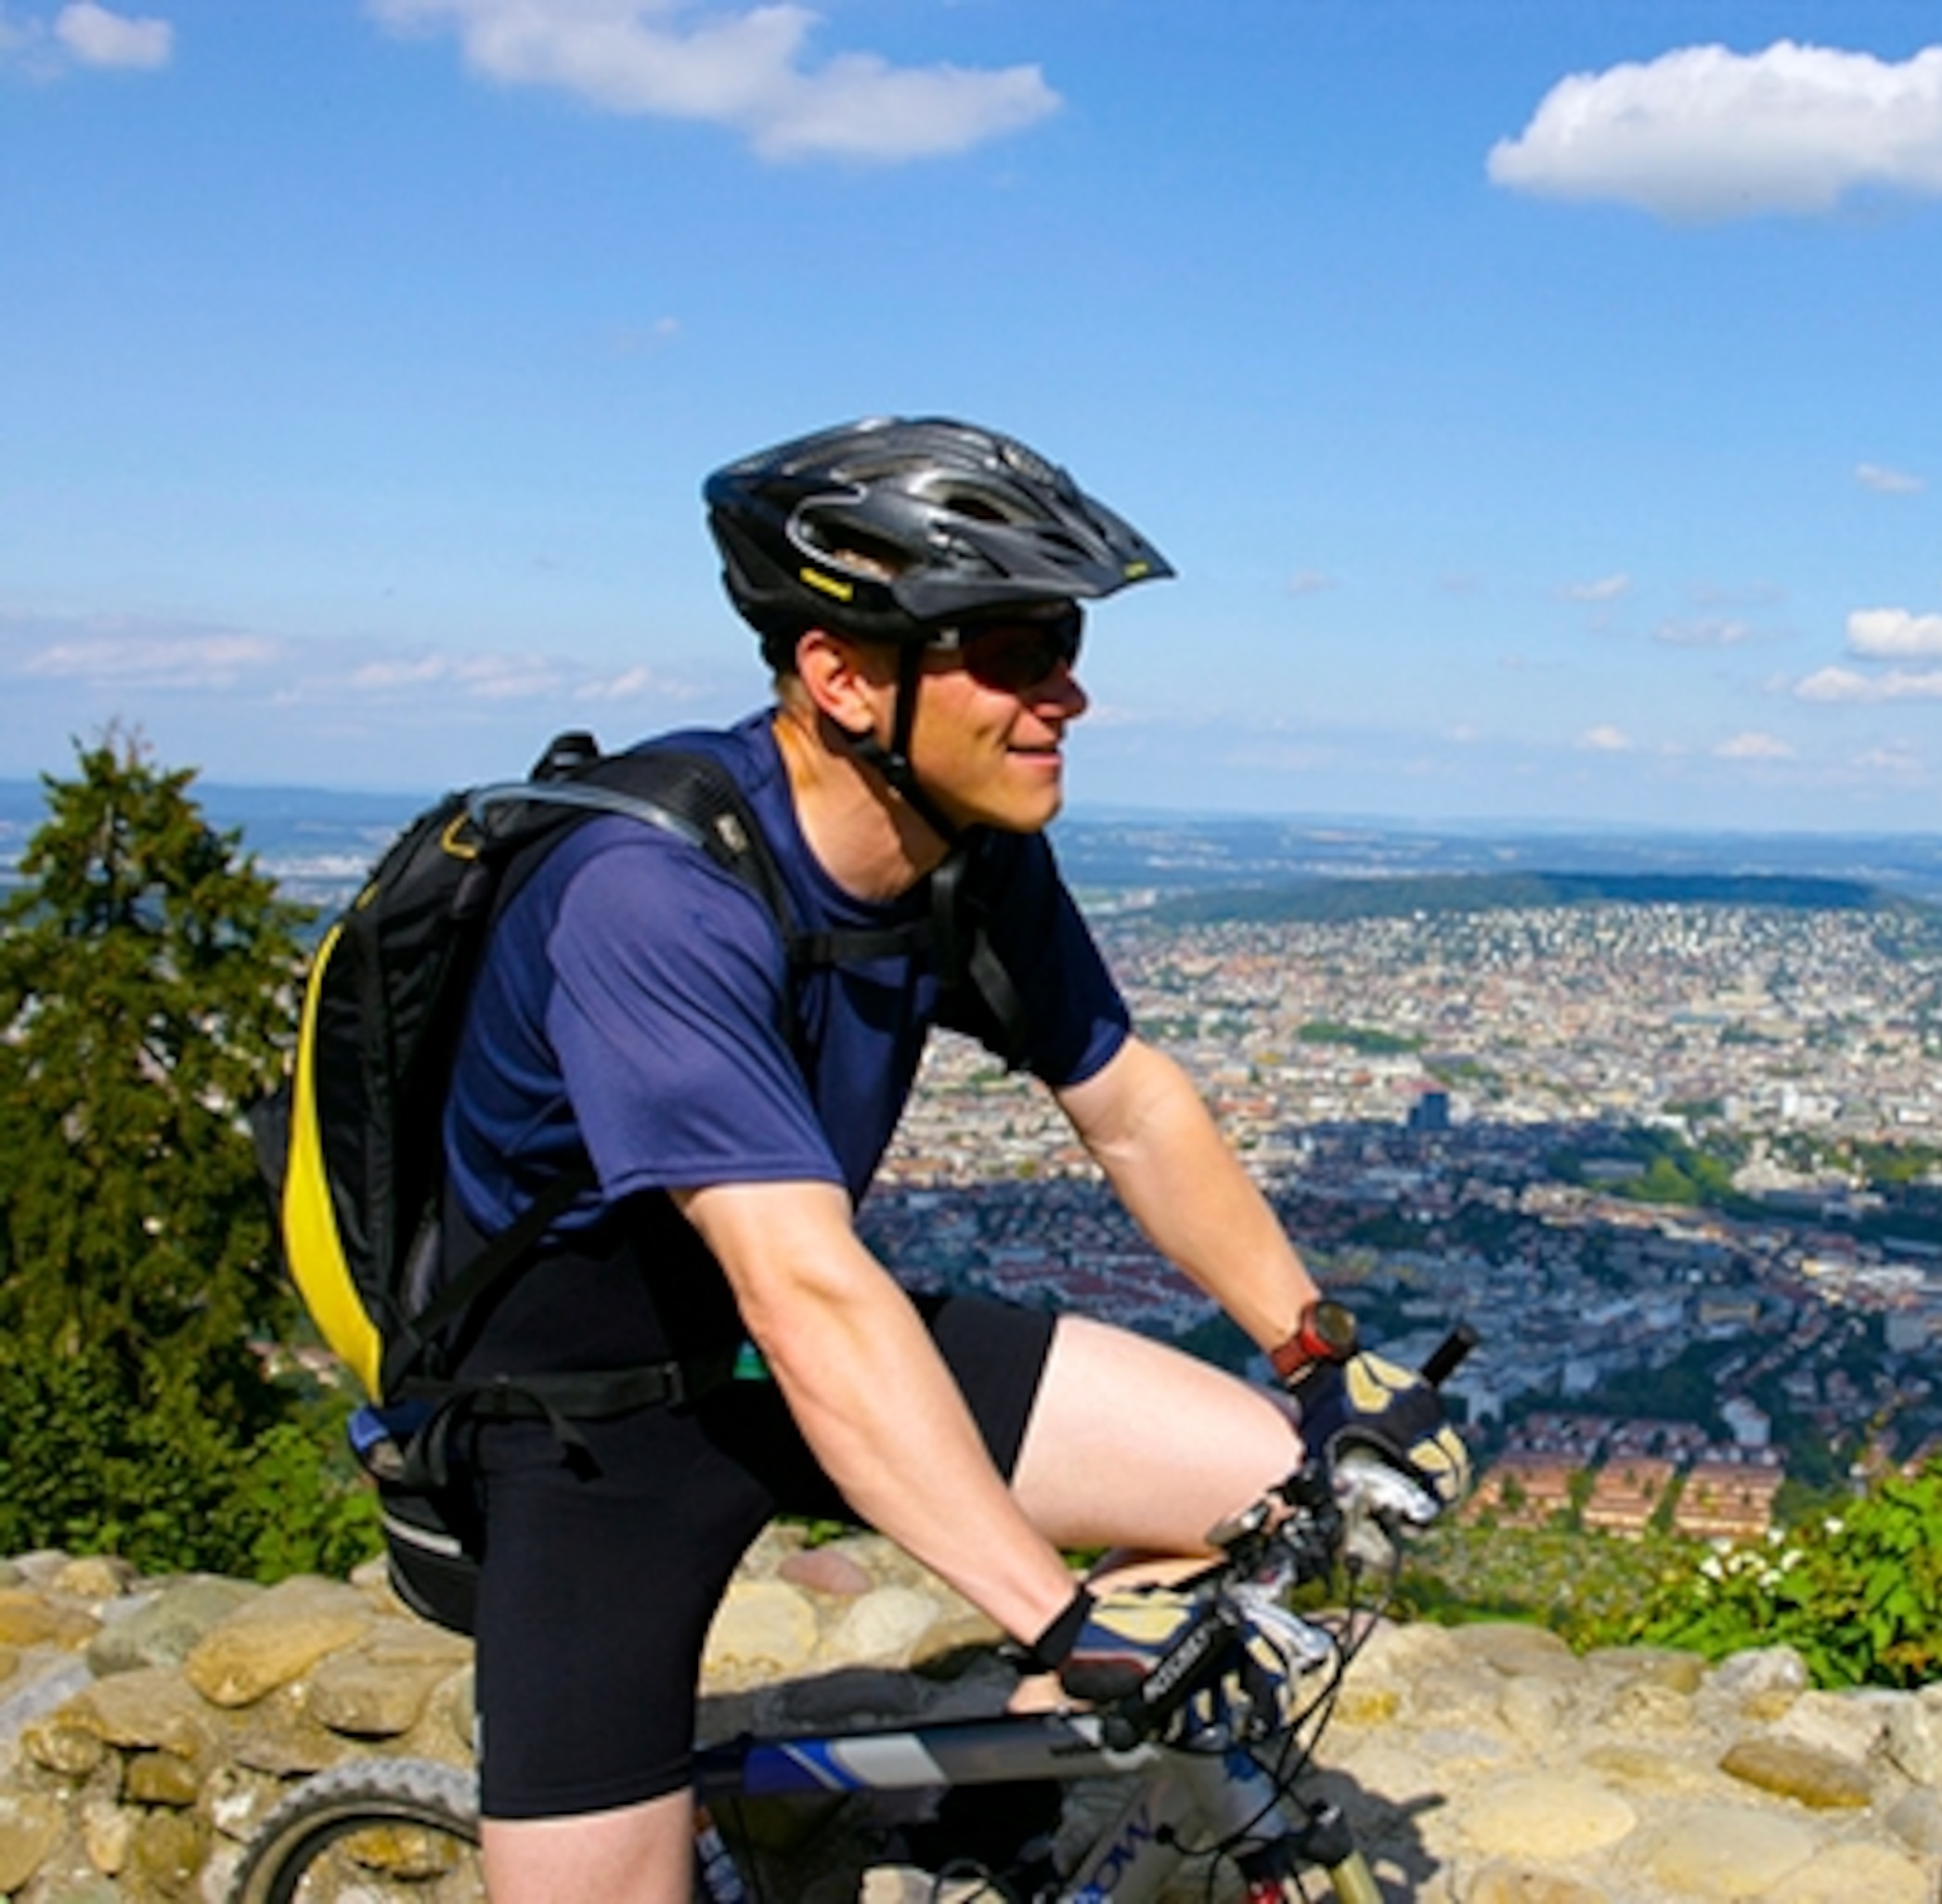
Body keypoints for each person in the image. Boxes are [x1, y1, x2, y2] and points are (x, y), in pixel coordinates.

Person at [435, 416, 1468, 1901]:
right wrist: (1056, 1620)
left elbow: (1130, 1105)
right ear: (843, 678)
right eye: (1013, 646)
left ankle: (1005, 1831)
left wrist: (1315, 1360)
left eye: (1061, 640)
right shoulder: (651, 897)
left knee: (1269, 1486)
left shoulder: (965, 857)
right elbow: (802, 1292)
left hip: (782, 1355)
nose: (1070, 690)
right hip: (587, 1423)